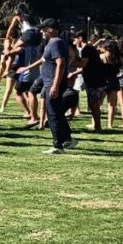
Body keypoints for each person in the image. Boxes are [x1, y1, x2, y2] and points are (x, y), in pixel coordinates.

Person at [38, 19, 76, 154]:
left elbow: (61, 64)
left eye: (44, 29)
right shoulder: (52, 42)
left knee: (53, 114)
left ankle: (58, 145)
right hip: (50, 82)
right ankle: (68, 139)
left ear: (51, 29)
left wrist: (55, 85)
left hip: (53, 83)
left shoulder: (56, 42)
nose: (42, 31)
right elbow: (44, 60)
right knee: (57, 112)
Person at [72, 32, 106, 132]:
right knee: (93, 104)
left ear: (80, 38)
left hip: (94, 79)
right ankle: (97, 126)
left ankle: (98, 127)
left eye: (75, 39)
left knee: (94, 104)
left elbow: (83, 64)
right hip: (94, 78)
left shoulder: (86, 49)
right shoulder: (90, 48)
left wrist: (70, 62)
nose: (74, 42)